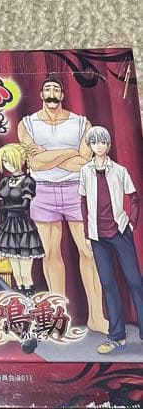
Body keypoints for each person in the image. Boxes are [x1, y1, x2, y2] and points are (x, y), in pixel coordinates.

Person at [18, 75, 107, 331]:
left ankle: (96, 317)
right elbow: (35, 164)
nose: (51, 93)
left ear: (63, 95)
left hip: (76, 190)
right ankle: (60, 317)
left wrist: (48, 156)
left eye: (56, 89)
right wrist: (71, 152)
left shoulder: (82, 123)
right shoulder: (27, 124)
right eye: (47, 88)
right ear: (41, 94)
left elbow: (83, 162)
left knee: (89, 252)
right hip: (43, 192)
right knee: (50, 254)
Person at [79, 126, 143, 355]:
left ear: (108, 145)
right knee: (107, 284)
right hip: (97, 236)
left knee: (135, 281)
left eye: (103, 142)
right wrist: (87, 233)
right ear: (90, 146)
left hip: (120, 231)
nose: (99, 146)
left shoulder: (119, 170)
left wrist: (132, 223)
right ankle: (117, 337)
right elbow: (83, 203)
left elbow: (134, 198)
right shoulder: (85, 171)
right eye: (95, 142)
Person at [0, 143, 45, 295]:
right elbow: (3, 206)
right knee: (17, 274)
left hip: (23, 228)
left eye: (11, 160)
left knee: (26, 274)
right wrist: (2, 228)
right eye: (5, 161)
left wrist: (5, 209)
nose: (8, 164)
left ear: (21, 160)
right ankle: (21, 300)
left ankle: (30, 299)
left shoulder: (28, 181)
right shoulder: (4, 182)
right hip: (8, 228)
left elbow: (24, 205)